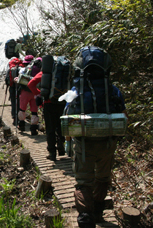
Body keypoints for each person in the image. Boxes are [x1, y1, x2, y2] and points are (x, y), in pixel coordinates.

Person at [62, 46, 128, 228]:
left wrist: (68, 143)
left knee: (83, 181)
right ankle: (98, 212)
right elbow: (124, 117)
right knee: (102, 177)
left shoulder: (75, 92)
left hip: (84, 144)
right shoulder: (114, 91)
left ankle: (85, 219)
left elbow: (67, 121)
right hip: (108, 143)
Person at [28, 70, 66, 161]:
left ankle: (52, 153)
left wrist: (39, 94)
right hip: (62, 102)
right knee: (61, 125)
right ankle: (61, 146)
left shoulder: (45, 72)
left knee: (50, 128)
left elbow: (31, 84)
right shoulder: (63, 71)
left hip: (49, 103)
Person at [14, 55, 41, 135]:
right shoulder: (38, 69)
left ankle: (21, 126)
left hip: (24, 92)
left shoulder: (24, 69)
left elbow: (18, 79)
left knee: (22, 109)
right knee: (34, 111)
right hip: (35, 91)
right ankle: (33, 129)